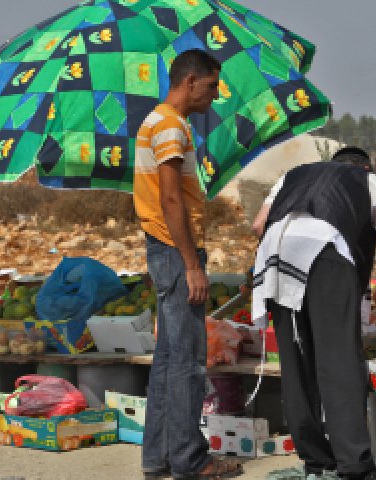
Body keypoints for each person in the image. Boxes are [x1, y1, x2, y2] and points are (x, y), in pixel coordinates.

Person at [251, 147, 376, 480]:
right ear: (365, 166)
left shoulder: (293, 175)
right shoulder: (369, 181)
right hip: (327, 257)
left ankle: (316, 461)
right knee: (340, 362)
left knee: (295, 362)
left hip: (275, 259)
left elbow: (259, 224)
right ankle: (356, 467)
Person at [134, 49, 241, 480]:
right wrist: (191, 264)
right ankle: (190, 460)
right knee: (186, 361)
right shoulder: (170, 127)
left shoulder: (157, 122)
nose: (214, 97)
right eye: (212, 86)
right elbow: (171, 198)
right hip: (174, 250)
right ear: (191, 81)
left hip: (164, 249)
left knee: (168, 358)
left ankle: (158, 456)